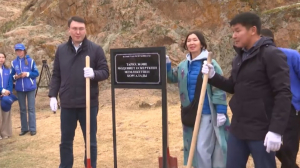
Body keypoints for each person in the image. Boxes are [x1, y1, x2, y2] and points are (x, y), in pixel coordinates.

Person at [201, 12, 292, 168]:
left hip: (262, 130)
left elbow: (283, 93)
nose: (234, 36)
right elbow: (233, 86)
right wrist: (213, 76)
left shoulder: (271, 54)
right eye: (232, 32)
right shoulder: (239, 58)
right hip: (238, 128)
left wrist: (276, 130)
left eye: (237, 31)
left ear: (253, 30)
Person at [48, 16, 109, 168]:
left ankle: (90, 166)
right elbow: (56, 74)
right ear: (69, 30)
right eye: (74, 28)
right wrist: (52, 96)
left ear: (85, 30)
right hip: (67, 104)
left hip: (88, 104)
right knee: (66, 141)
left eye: (81, 29)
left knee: (90, 141)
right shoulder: (61, 50)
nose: (78, 32)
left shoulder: (95, 49)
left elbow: (105, 72)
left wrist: (94, 73)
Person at [167, 31, 229, 168]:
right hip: (190, 113)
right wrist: (166, 63)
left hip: (206, 113)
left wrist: (221, 110)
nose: (191, 43)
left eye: (195, 40)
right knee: (194, 148)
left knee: (201, 148)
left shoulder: (210, 63)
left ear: (202, 43)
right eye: (189, 40)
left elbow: (219, 87)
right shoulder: (184, 65)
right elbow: (171, 77)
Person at [261, 28, 300, 168]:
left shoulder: (291, 55)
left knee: (289, 148)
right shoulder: (256, 59)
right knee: (268, 144)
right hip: (266, 108)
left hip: (291, 107)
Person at [11, 43, 39, 136]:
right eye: (17, 50)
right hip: (19, 89)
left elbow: (36, 73)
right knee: (22, 109)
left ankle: (32, 129)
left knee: (31, 108)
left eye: (20, 50)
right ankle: (24, 128)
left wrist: (26, 74)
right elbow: (12, 76)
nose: (19, 52)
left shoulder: (30, 61)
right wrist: (15, 77)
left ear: (24, 50)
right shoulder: (13, 63)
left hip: (30, 87)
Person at [0, 52, 14, 139]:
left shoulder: (7, 70)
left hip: (6, 96)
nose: (1, 59)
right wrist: (2, 91)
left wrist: (8, 91)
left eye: (2, 57)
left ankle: (5, 133)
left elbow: (10, 82)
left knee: (6, 115)